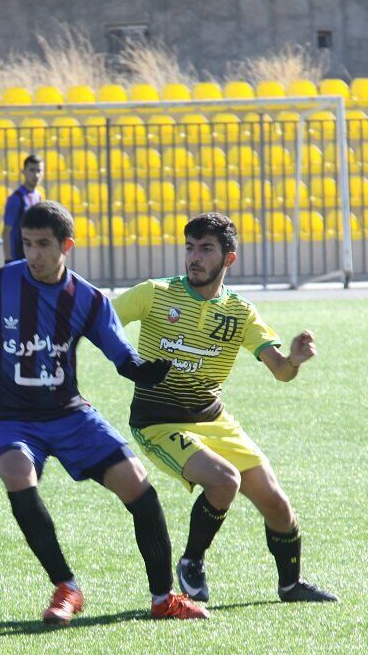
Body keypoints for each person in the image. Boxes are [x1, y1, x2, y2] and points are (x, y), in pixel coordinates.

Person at [0, 200, 209, 624]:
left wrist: (147, 372)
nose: (32, 254)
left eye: (42, 244)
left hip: (69, 414)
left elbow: (122, 357)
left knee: (138, 486)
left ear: (65, 245)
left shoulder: (88, 299)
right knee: (17, 472)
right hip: (10, 416)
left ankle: (164, 598)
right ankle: (66, 587)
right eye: (26, 243)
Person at [112, 212, 337, 604]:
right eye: (189, 248)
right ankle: (192, 562)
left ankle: (291, 585)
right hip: (157, 421)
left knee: (277, 505)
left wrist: (295, 360)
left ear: (228, 259)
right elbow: (97, 321)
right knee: (223, 480)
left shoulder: (240, 312)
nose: (194, 257)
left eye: (206, 249)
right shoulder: (155, 293)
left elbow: (281, 372)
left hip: (212, 417)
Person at [1, 154, 44, 265]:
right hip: (18, 258)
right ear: (23, 172)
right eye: (32, 170)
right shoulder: (16, 198)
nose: (36, 175)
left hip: (33, 257)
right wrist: (8, 260)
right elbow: (6, 231)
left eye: (39, 171)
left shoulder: (38, 196)